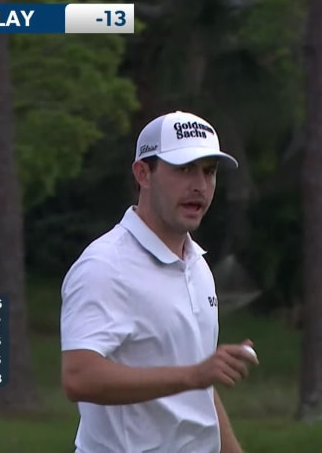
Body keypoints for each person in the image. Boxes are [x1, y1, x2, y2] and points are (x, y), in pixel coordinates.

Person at [60, 110, 259, 453]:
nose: (199, 185)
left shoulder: (196, 264)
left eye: (208, 172)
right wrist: (193, 375)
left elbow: (200, 387)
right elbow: (79, 377)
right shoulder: (105, 265)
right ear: (143, 173)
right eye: (184, 169)